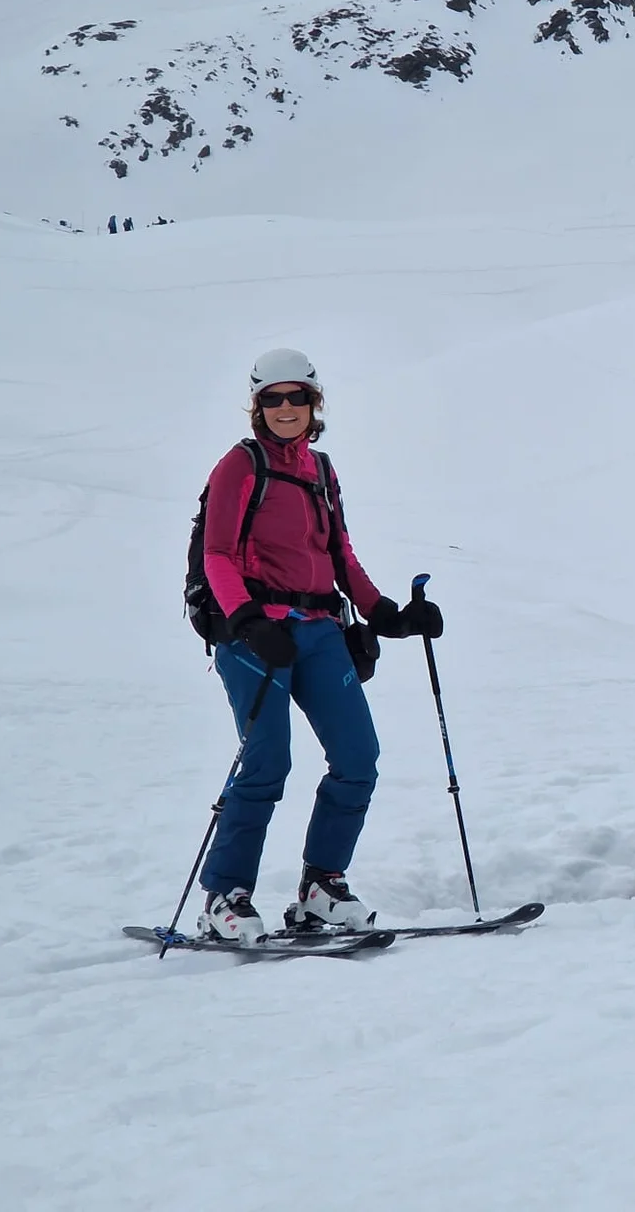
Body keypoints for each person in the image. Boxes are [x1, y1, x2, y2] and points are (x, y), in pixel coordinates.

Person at [192, 349, 443, 944]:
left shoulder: (322, 471)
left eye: (296, 396)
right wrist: (248, 620)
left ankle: (320, 888)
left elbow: (339, 556)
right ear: (257, 406)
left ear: (314, 403)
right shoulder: (238, 466)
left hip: (320, 629)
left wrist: (388, 614)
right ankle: (224, 896)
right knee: (266, 762)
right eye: (272, 398)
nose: (285, 408)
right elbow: (218, 555)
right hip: (255, 636)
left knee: (358, 758)